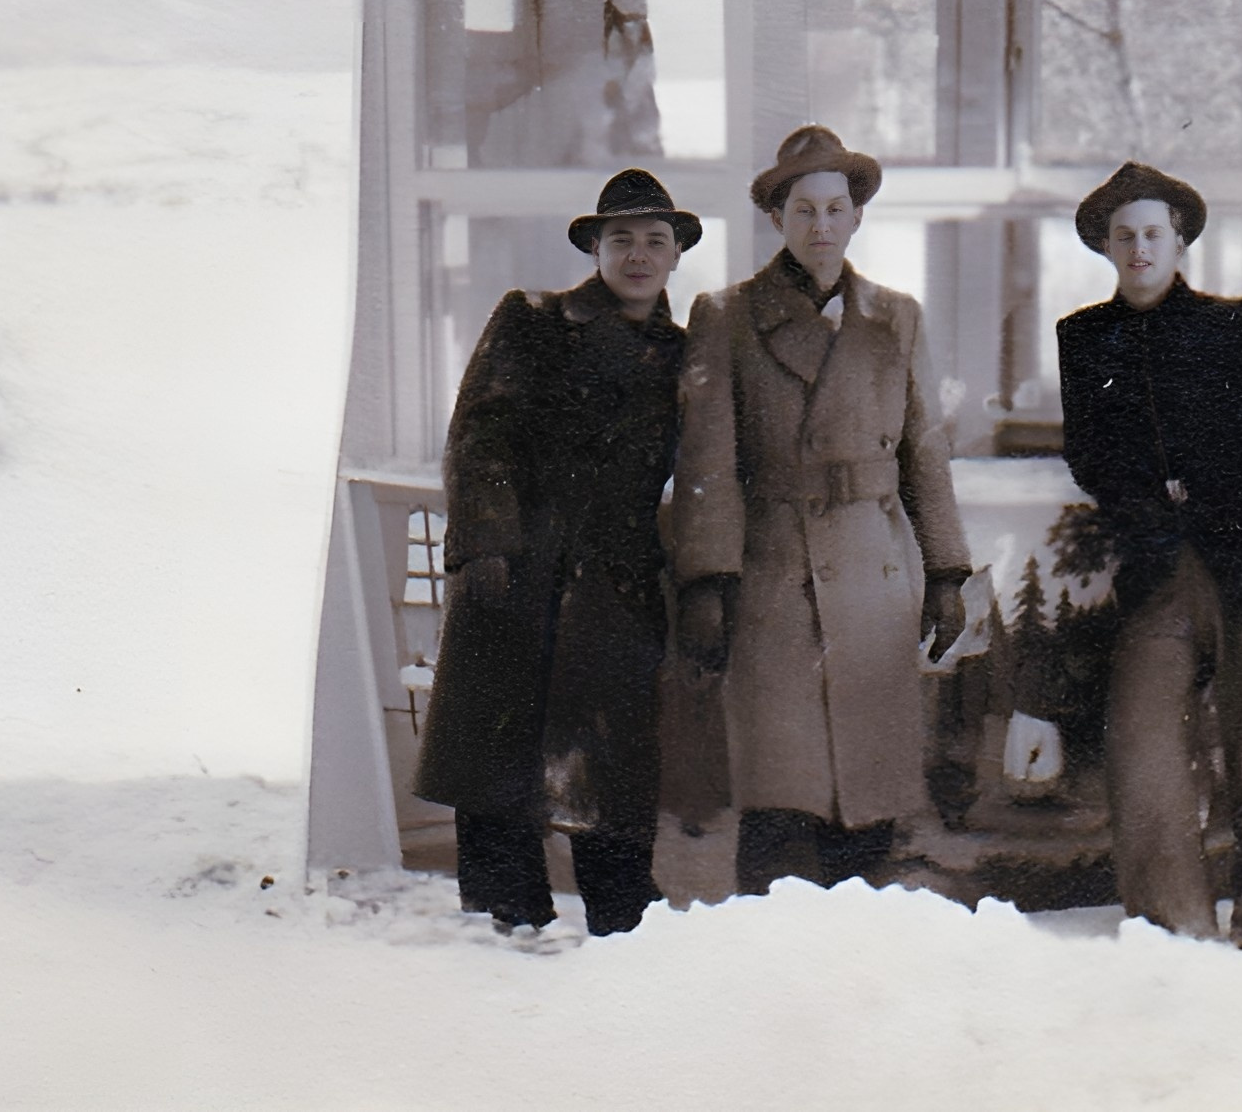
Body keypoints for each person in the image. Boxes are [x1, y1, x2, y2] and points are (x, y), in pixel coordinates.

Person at [673, 125, 972, 892]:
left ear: (857, 216)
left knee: (868, 801)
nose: (821, 227)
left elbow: (923, 452)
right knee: (782, 798)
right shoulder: (726, 315)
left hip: (875, 576)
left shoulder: (896, 318)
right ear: (777, 218)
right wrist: (707, 580)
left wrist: (946, 571)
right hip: (776, 578)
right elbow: (706, 462)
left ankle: (859, 971)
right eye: (803, 210)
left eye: (835, 208)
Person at [411, 169, 700, 935]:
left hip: (618, 588)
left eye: (655, 241)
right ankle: (508, 940)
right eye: (622, 240)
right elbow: (480, 439)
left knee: (613, 781)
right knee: (502, 779)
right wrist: (492, 551)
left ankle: (621, 933)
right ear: (595, 248)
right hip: (520, 580)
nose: (638, 255)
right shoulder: (534, 321)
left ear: (676, 256)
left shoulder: (682, 355)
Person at [1055, 162, 1242, 946]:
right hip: (1161, 566)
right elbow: (1092, 453)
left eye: (1154, 234)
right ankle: (1170, 922)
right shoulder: (1084, 338)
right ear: (1106, 246)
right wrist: (1154, 504)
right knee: (1142, 744)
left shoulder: (1234, 327)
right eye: (1125, 236)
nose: (1140, 249)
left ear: (1179, 242)